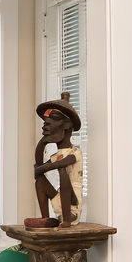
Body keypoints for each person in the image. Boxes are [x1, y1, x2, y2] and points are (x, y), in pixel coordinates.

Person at [28, 93, 82, 228]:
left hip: (71, 204)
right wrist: (42, 143)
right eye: (46, 121)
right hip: (59, 199)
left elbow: (59, 164)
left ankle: (67, 221)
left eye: (55, 119)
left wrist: (41, 169)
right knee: (40, 181)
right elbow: (39, 167)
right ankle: (45, 219)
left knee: (63, 173)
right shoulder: (55, 155)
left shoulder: (75, 152)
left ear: (67, 125)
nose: (46, 124)